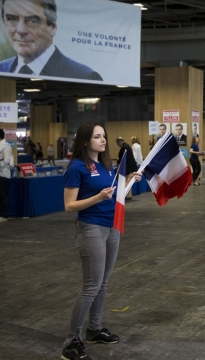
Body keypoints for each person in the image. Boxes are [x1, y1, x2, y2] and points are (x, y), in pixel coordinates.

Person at [61, 122, 141, 360]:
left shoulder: (107, 166)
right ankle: (71, 341)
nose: (103, 140)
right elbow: (68, 206)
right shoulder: (77, 168)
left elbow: (114, 195)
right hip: (91, 228)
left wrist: (129, 182)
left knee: (103, 282)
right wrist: (96, 197)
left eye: (103, 136)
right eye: (97, 137)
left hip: (112, 226)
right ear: (85, 141)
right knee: (91, 286)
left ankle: (94, 329)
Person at [0, 0, 102, 81]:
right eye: (12, 19)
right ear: (3, 24)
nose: (21, 30)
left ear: (52, 27)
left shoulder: (85, 76)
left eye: (32, 20)